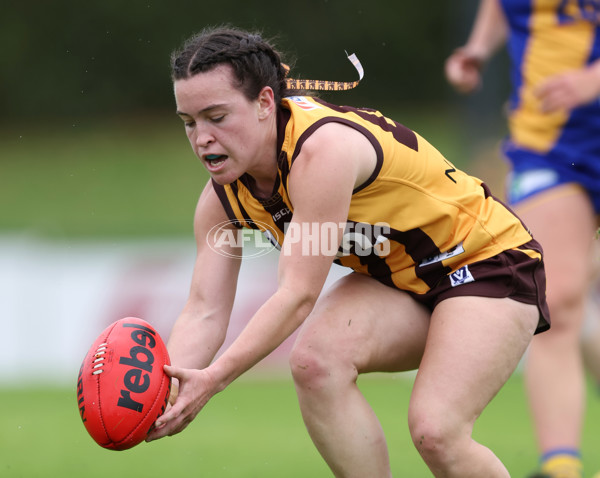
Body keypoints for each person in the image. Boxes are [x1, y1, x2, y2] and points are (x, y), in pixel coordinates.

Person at [145, 25, 550, 478]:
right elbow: (203, 310)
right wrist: (169, 387)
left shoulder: (320, 153)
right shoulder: (220, 198)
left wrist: (214, 380)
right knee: (315, 362)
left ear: (264, 103)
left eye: (216, 117)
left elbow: (297, 295)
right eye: (189, 122)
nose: (201, 138)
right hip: (405, 281)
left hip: (486, 263)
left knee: (437, 430)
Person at [445, 1, 600, 477]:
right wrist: (477, 48)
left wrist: (592, 80)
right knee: (557, 300)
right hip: (548, 146)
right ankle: (560, 466)